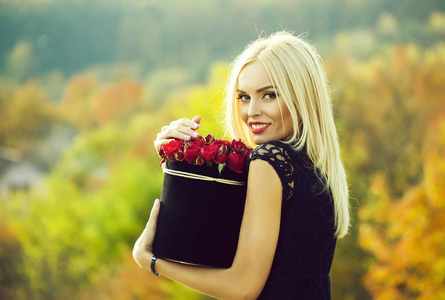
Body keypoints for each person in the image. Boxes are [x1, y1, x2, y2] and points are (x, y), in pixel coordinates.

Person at [133, 31, 350, 299]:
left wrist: (152, 262)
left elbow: (242, 288)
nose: (251, 111)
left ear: (301, 97)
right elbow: (215, 236)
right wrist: (175, 158)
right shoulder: (313, 166)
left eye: (269, 95)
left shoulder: (270, 161)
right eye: (244, 97)